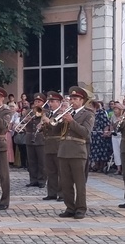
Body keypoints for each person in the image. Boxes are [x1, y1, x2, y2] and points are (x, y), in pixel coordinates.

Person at [57, 87, 96, 219]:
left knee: (79, 183)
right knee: (65, 183)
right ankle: (70, 207)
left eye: (75, 99)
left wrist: (71, 122)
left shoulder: (88, 114)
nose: (72, 101)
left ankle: (80, 208)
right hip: (63, 151)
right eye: (71, 99)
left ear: (82, 100)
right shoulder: (67, 113)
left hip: (78, 151)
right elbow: (56, 131)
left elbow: (86, 133)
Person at [40, 92, 64, 201]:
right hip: (48, 145)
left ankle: (62, 193)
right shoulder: (48, 113)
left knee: (60, 171)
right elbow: (46, 130)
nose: (50, 104)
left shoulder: (61, 113)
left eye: (53, 101)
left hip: (58, 144)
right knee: (50, 171)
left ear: (59, 102)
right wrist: (41, 126)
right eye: (50, 101)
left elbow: (57, 128)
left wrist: (48, 122)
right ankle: (52, 193)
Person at [24, 94, 47, 188]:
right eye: (35, 101)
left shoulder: (45, 112)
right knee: (31, 161)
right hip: (29, 138)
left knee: (41, 161)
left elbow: (44, 123)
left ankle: (42, 180)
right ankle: (33, 180)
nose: (36, 103)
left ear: (43, 103)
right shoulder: (29, 111)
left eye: (39, 102)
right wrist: (26, 120)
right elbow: (23, 121)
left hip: (40, 139)